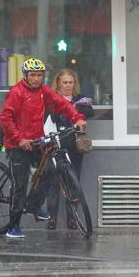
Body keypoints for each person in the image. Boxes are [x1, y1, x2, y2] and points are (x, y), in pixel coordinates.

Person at [0, 58, 87, 239]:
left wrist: (77, 117)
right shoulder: (17, 92)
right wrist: (19, 138)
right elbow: (6, 119)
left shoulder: (43, 91)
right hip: (18, 144)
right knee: (20, 186)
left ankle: (33, 205)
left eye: (40, 75)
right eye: (33, 75)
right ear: (25, 75)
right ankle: (13, 227)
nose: (37, 79)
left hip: (36, 142)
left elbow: (62, 104)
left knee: (51, 171)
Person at [45, 69, 94, 230]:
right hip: (56, 144)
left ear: (75, 84)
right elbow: (52, 115)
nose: (67, 85)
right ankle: (52, 218)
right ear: (58, 83)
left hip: (75, 145)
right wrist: (70, 111)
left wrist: (68, 110)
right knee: (53, 182)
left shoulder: (81, 99)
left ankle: (72, 218)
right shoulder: (52, 98)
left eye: (70, 82)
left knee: (73, 182)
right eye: (64, 82)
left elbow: (88, 111)